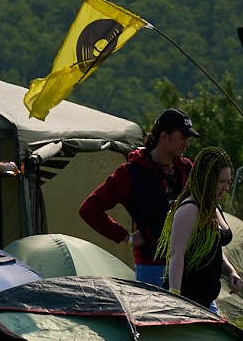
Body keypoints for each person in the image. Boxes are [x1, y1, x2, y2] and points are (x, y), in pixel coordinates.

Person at [79, 108, 194, 286]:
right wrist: (127, 237)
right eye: (182, 138)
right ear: (165, 136)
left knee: (203, 314)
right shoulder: (132, 173)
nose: (186, 144)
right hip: (153, 266)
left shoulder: (187, 168)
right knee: (157, 314)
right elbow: (90, 208)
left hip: (189, 262)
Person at [158, 150, 242, 309]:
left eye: (228, 182)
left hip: (206, 299)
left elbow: (211, 247)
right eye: (220, 181)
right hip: (188, 299)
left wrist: (230, 271)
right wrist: (175, 295)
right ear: (206, 180)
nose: (225, 187)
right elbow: (177, 254)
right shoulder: (190, 209)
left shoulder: (213, 207)